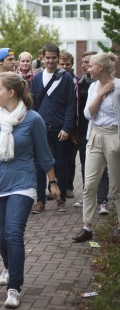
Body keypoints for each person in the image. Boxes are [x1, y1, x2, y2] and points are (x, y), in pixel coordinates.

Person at [0, 72, 59, 308]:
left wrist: (53, 182)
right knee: (2, 235)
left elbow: (45, 155)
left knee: (14, 234)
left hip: (23, 183)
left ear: (11, 92)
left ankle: (14, 287)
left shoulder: (33, 119)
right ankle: (7, 267)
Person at [72, 52, 120, 242]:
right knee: (89, 184)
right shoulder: (93, 87)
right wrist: (99, 95)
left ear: (101, 67)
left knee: (116, 188)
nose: (88, 69)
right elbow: (87, 114)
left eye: (91, 66)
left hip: (114, 136)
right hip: (95, 136)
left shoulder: (118, 87)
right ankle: (87, 227)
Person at [30, 43, 76, 214]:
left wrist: (67, 127)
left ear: (58, 57)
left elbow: (72, 106)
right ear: (42, 57)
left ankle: (61, 199)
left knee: (61, 164)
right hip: (40, 128)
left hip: (60, 129)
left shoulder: (66, 79)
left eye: (53, 57)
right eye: (47, 57)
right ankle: (40, 200)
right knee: (39, 165)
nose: (50, 61)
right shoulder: (36, 78)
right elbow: (32, 105)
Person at [72, 51, 110, 214]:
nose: (84, 65)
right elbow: (78, 109)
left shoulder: (108, 85)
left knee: (105, 169)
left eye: (88, 62)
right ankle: (89, 198)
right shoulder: (80, 83)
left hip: (104, 131)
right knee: (86, 165)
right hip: (84, 130)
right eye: (83, 62)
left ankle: (102, 200)